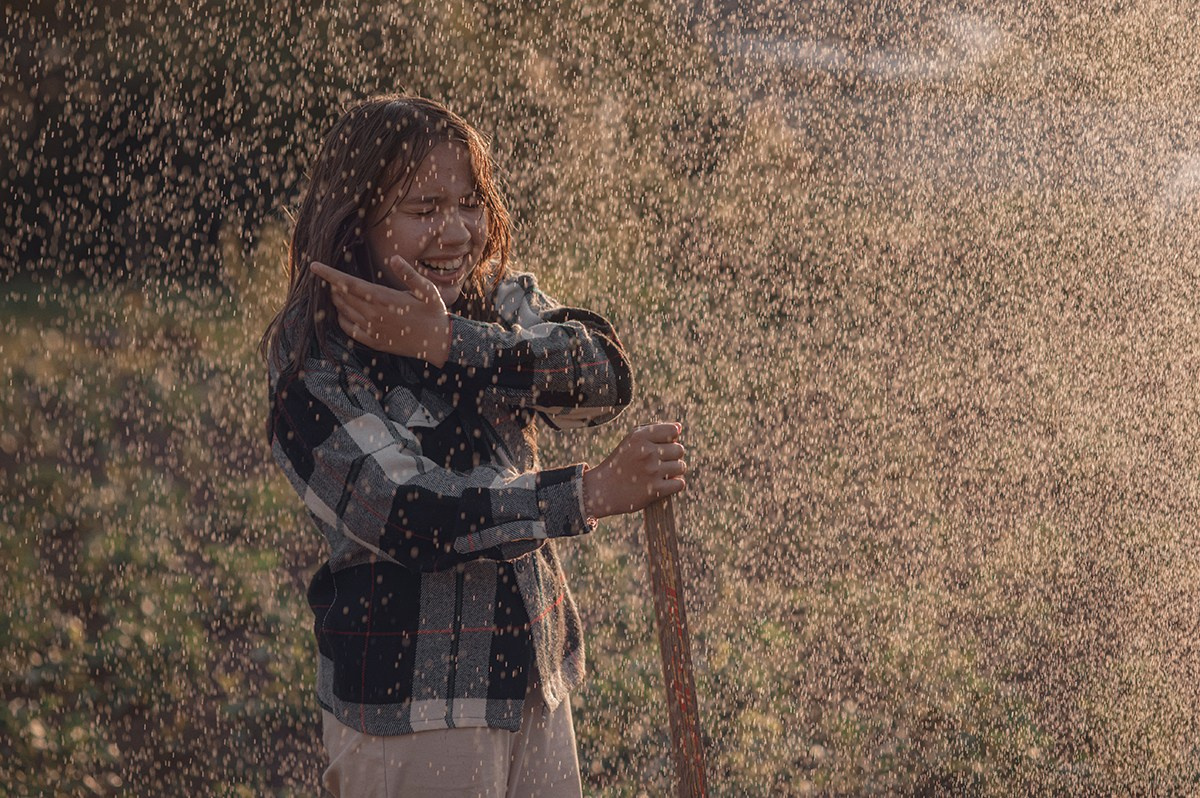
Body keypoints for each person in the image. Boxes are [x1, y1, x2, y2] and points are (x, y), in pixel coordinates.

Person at [260, 94, 687, 797]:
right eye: (423, 210)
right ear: (356, 225)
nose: (456, 231)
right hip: (415, 715)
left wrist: (451, 342)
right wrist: (588, 494)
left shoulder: (486, 303)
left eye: (468, 203)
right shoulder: (316, 364)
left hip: (532, 685)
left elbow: (605, 376)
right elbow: (406, 513)